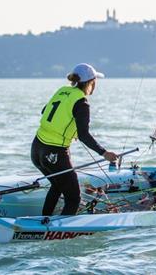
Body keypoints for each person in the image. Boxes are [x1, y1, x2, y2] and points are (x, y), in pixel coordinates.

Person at [30, 63, 118, 216]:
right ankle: (56, 234)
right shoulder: (81, 102)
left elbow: (45, 111)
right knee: (73, 198)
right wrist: (104, 153)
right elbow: (84, 135)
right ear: (91, 82)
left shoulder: (62, 91)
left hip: (37, 148)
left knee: (58, 186)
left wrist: (68, 128)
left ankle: (44, 220)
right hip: (54, 153)